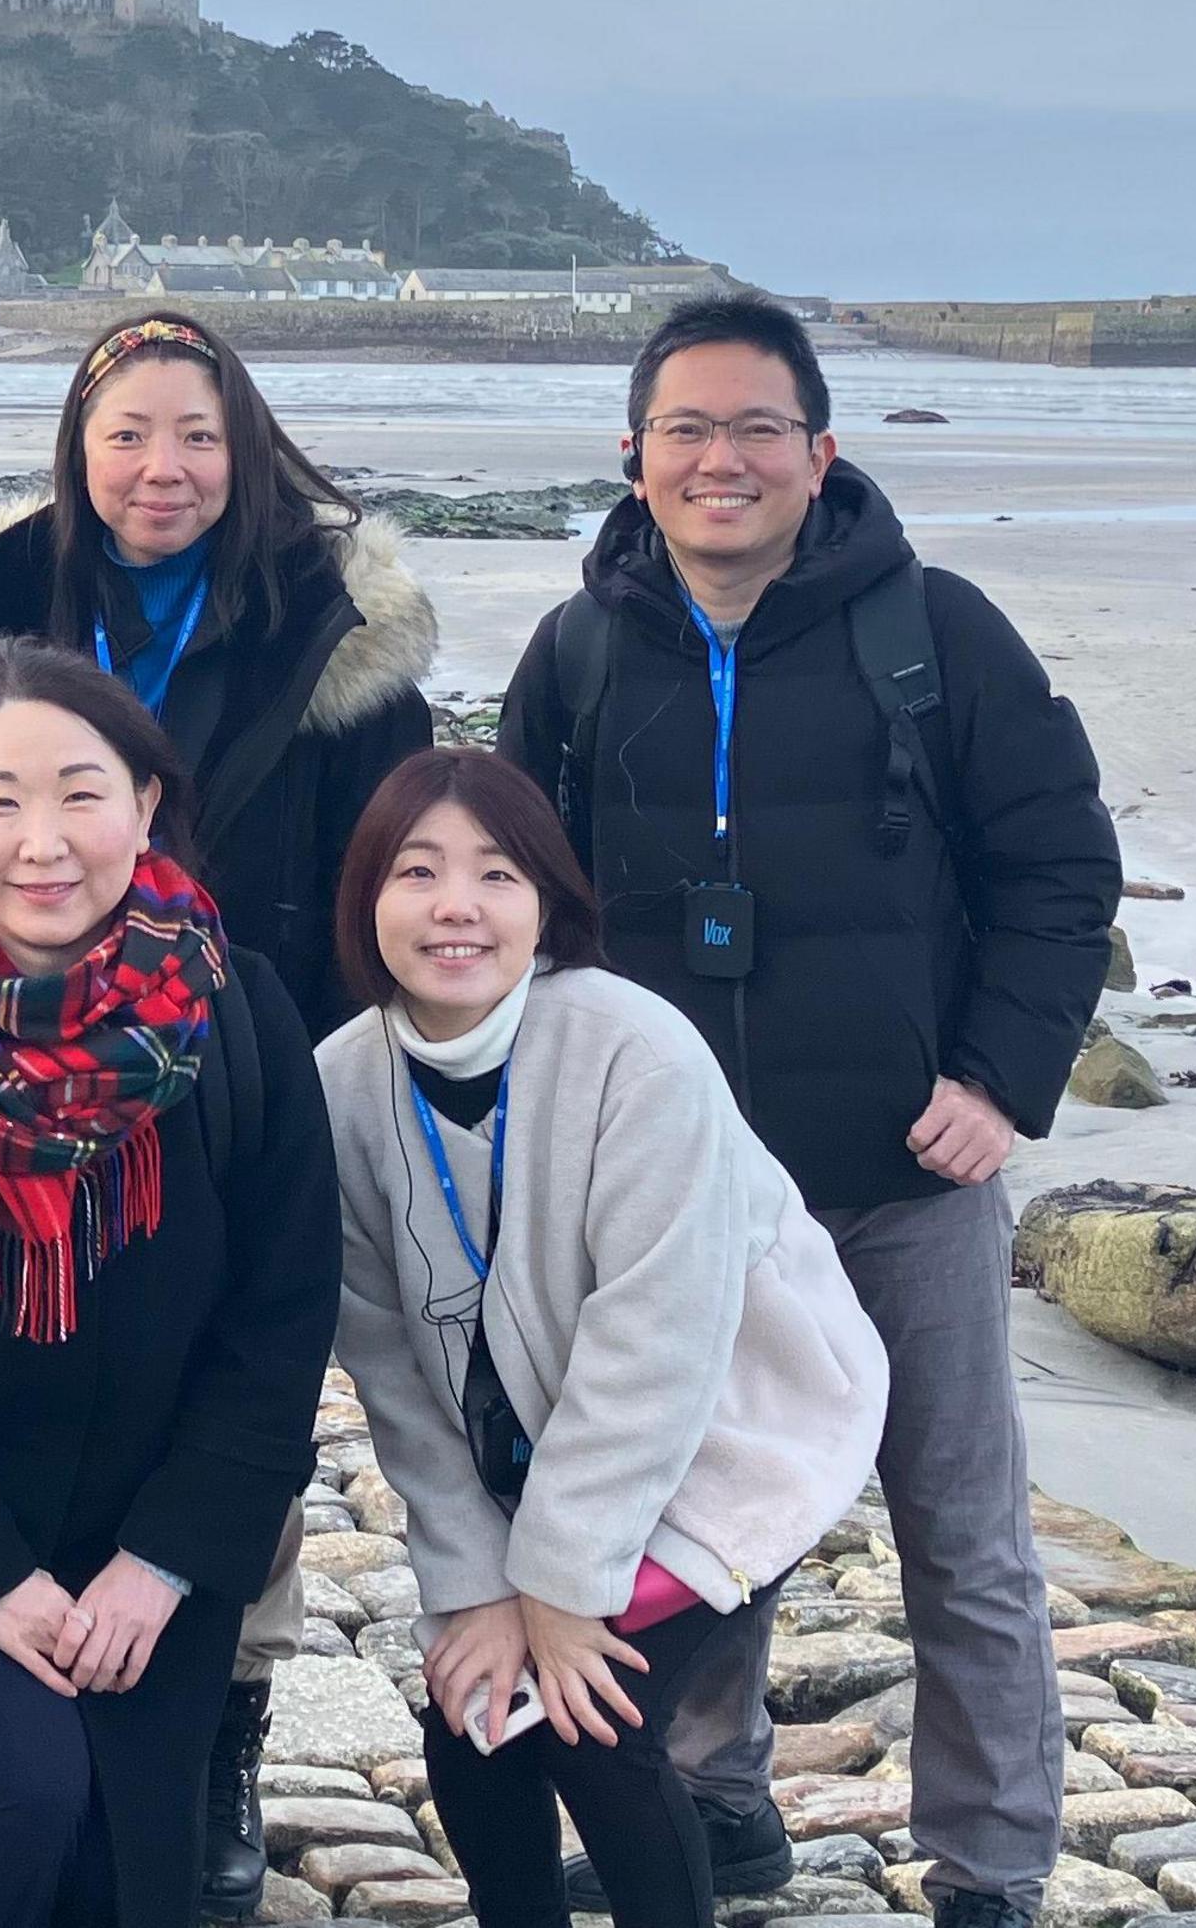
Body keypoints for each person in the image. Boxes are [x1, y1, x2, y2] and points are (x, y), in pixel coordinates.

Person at [494, 296, 1122, 1928]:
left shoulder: (936, 633)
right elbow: (516, 897)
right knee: (693, 1515)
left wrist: (1000, 1079)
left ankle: (990, 1863)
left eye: (757, 427)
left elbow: (1062, 863)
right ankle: (714, 1799)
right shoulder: (576, 653)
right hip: (676, 1198)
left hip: (901, 1180)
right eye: (685, 429)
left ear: (821, 451)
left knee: (963, 1539)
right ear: (631, 457)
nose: (722, 458)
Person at [0, 310, 429, 1913]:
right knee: (18, 1359)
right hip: (19, 1046)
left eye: (198, 434)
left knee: (242, 1390)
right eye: (127, 431)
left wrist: (348, 1070)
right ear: (78, 447)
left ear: (249, 445)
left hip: (251, 1055)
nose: (163, 468)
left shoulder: (330, 624)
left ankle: (228, 1714)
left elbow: (383, 869)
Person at [0, 639, 339, 1928]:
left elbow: (280, 1322)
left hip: (149, 1556)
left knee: (114, 1865)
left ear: (145, 806)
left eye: (83, 792)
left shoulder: (236, 1019)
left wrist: (166, 1558)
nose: (45, 840)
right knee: (9, 1801)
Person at [315, 749, 886, 1928]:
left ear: (549, 905)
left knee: (589, 1722)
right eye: (416, 871)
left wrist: (563, 1590)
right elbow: (390, 1368)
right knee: (472, 1722)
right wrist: (474, 1585)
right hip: (535, 1462)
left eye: (496, 874)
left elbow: (657, 1342)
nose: (456, 905)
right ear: (368, 898)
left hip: (730, 1432)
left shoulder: (637, 1049)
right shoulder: (344, 1083)